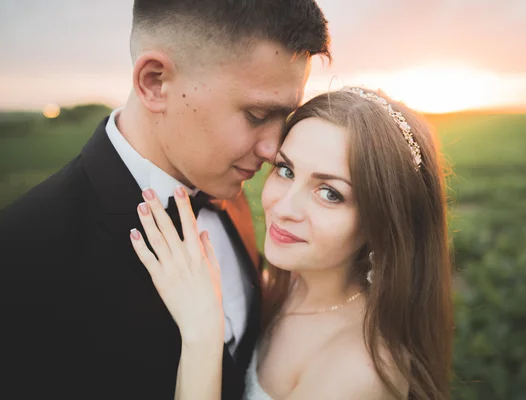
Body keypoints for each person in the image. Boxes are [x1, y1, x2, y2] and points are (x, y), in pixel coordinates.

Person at [0, 1, 330, 399]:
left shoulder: (230, 191)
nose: (274, 150)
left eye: (286, 118)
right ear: (154, 82)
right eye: (257, 115)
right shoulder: (20, 254)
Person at [131, 87, 454, 399]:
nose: (283, 208)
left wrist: (201, 335)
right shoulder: (284, 285)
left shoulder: (360, 371)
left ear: (383, 222)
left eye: (330, 193)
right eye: (285, 170)